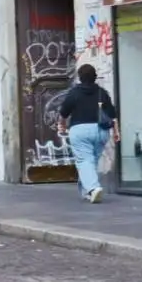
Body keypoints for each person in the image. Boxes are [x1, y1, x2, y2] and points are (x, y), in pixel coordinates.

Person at [58, 63, 118, 204]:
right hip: (101, 131)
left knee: (84, 161)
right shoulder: (102, 93)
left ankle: (93, 188)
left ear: (80, 77)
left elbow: (63, 112)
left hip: (80, 131)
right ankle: (86, 191)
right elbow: (112, 115)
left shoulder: (74, 93)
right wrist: (116, 132)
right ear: (94, 77)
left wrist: (61, 125)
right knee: (91, 162)